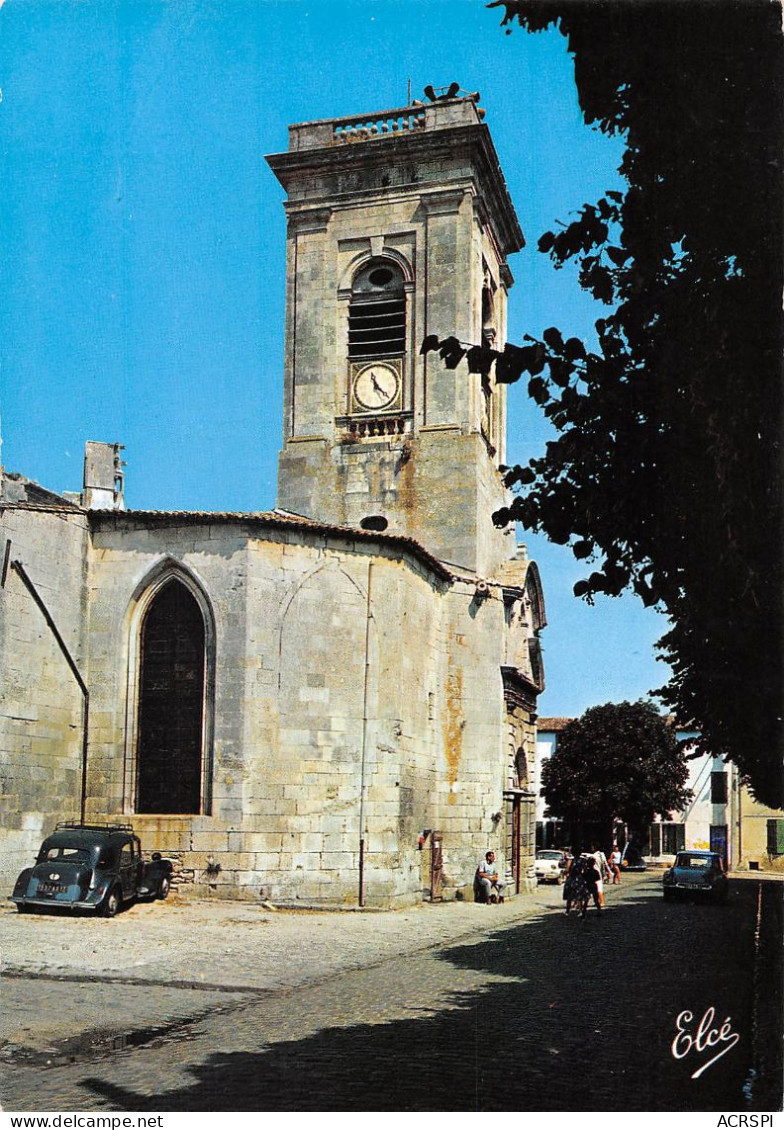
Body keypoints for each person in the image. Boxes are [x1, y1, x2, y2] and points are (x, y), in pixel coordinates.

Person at [563, 848, 590, 917]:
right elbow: (585, 870)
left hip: (572, 878)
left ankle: (568, 911)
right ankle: (580, 910)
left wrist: (565, 872)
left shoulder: (570, 861)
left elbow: (567, 870)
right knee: (580, 896)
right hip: (580, 878)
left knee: (569, 895)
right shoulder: (583, 860)